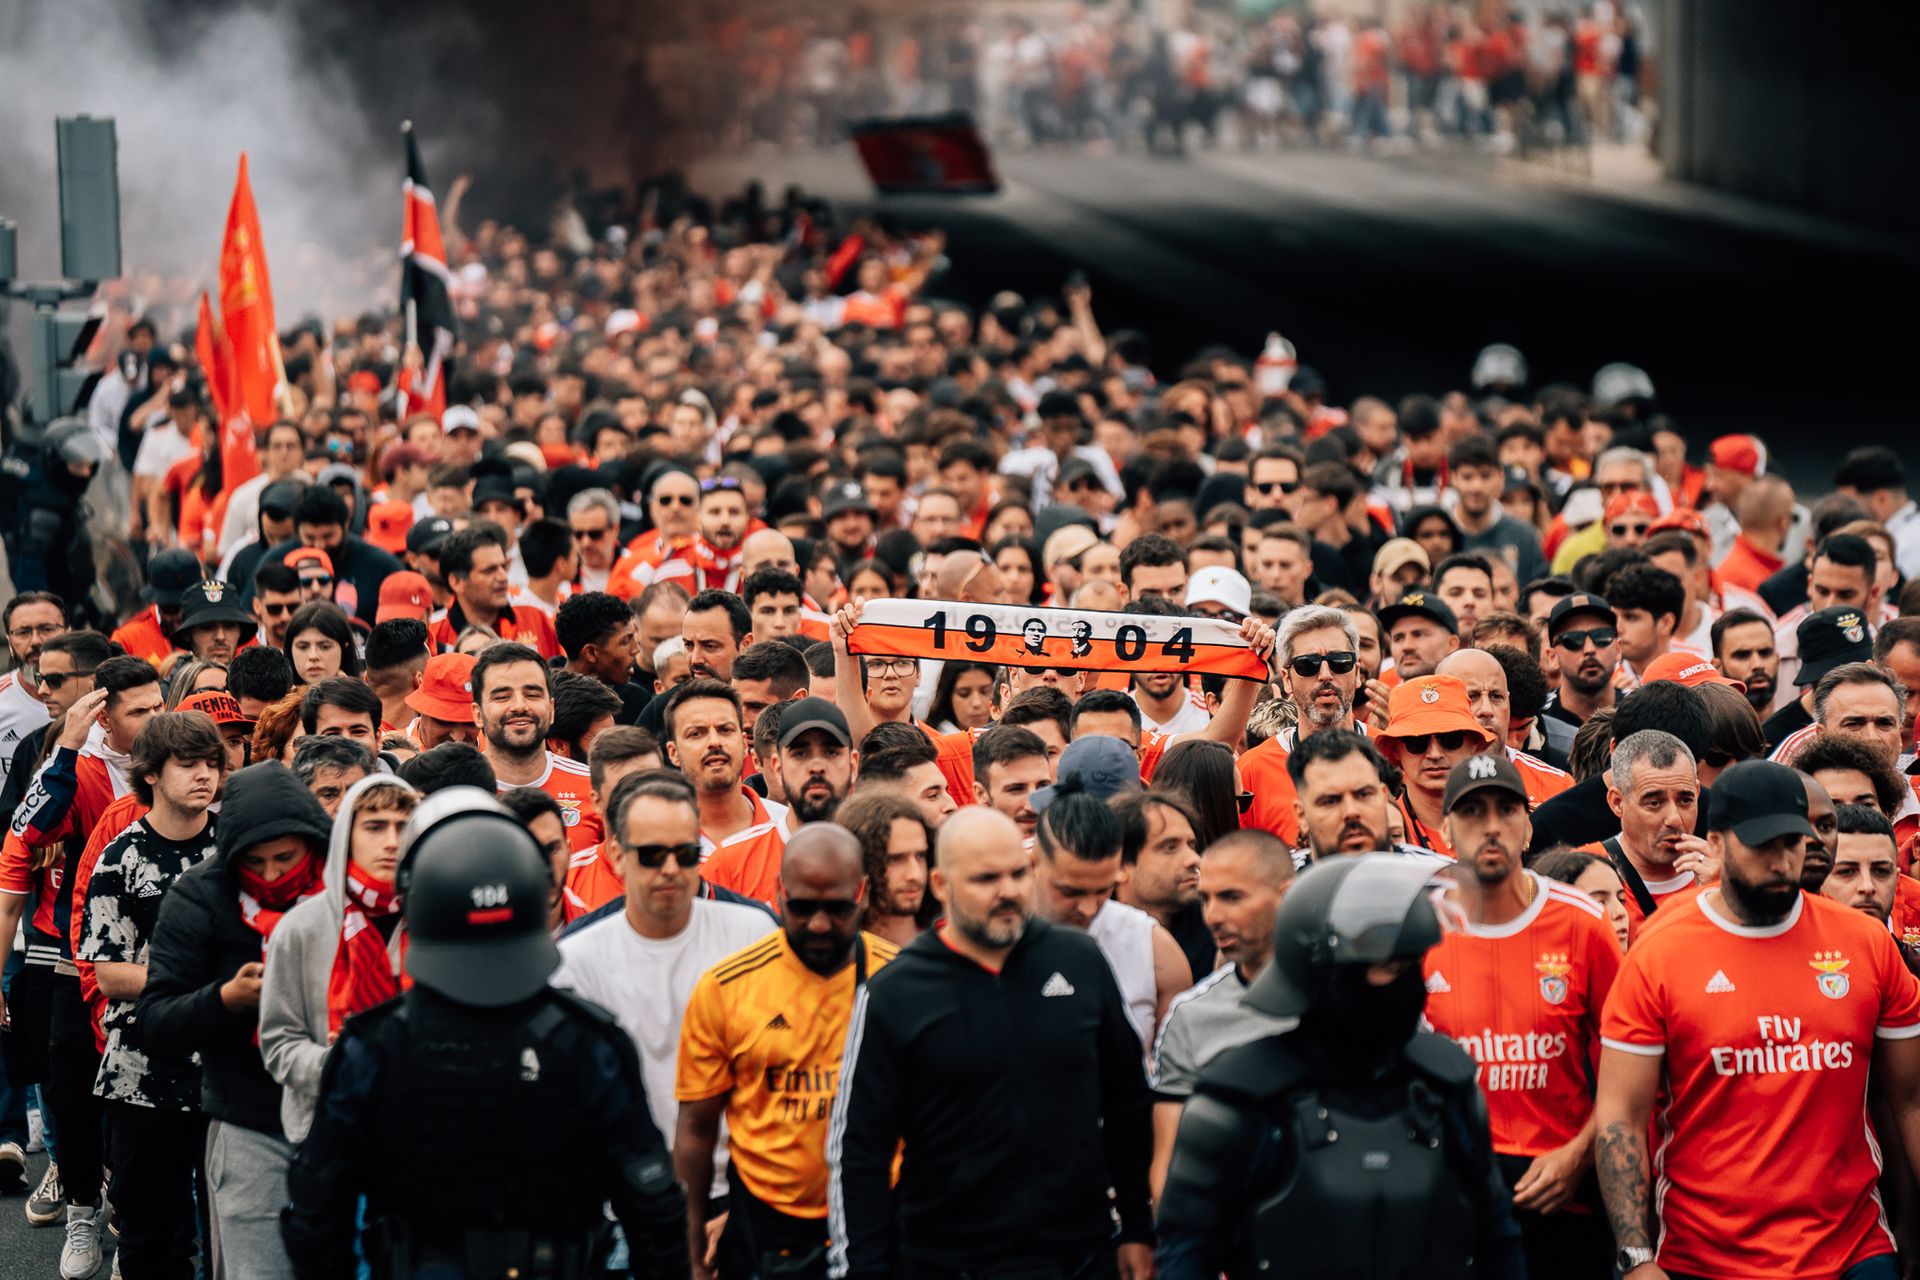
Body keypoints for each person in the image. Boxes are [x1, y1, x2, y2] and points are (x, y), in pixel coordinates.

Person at [280, 787, 690, 1279]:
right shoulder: (588, 1042)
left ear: (417, 902)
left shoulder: (374, 1047)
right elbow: (655, 1213)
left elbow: (316, 1214)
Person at [1595, 761, 1920, 1280]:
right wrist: (1635, 1258)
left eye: (1792, 842)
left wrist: (1913, 1227)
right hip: (1708, 1257)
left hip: (1852, 1251)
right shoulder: (1660, 951)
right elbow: (1620, 1117)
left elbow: (1910, 1099)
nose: (1782, 861)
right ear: (1717, 844)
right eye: (1762, 845)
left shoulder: (1864, 944)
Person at [1154, 854, 1524, 1280]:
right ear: (1325, 975)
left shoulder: (1443, 1086)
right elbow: (1185, 1252)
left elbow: (1497, 1236)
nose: (1407, 987)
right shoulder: (1239, 1099)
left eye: (1411, 968)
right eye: (1386, 969)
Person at [828, 807, 1155, 1280]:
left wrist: (1138, 1229)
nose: (1008, 891)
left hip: (1080, 1256)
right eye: (985, 879)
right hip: (949, 1263)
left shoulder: (1079, 960)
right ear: (941, 886)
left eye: (1018, 874)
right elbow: (858, 1151)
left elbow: (1128, 1102)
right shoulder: (894, 993)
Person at [1420, 753, 1621, 1280]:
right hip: (1456, 1197)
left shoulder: (1583, 924)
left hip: (1563, 1194)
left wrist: (1576, 1158)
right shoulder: (1420, 929)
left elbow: (1627, 1076)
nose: (1491, 827)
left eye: (1506, 809)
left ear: (1528, 824)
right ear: (1444, 830)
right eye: (1472, 812)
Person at [676, 826, 900, 1280]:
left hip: (883, 1214)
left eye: (836, 907)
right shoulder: (728, 987)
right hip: (768, 1225)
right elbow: (696, 1129)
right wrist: (691, 1243)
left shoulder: (900, 982)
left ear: (862, 894)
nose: (819, 924)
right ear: (778, 893)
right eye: (801, 907)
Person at [139, 762, 334, 1279]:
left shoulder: (351, 886)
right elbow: (154, 1021)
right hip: (249, 1120)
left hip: (346, 1113)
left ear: (314, 845)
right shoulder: (198, 895)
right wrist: (225, 998)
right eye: (256, 863)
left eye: (285, 859)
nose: (272, 876)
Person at [553, 770, 776, 1201]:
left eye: (686, 853)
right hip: (625, 1204)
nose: (671, 869)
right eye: (653, 854)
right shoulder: (576, 959)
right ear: (617, 855)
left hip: (744, 1194)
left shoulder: (755, 933)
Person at [77, 711, 227, 1280]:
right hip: (143, 1073)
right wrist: (208, 976)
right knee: (149, 1236)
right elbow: (111, 975)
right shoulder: (120, 857)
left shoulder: (234, 851)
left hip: (224, 1065)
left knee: (226, 1233)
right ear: (153, 774)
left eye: (212, 764)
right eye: (187, 765)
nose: (204, 776)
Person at [259, 774, 421, 1146]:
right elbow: (279, 1041)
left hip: (419, 1130)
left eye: (403, 826)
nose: (392, 842)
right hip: (327, 1128)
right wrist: (337, 1065)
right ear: (347, 833)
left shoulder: (436, 920)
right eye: (375, 827)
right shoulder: (301, 928)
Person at [1148, 830, 1295, 1197]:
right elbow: (1169, 1168)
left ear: (1286, 896)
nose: (1213, 916)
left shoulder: (1352, 998)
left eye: (1231, 897)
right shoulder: (1191, 1017)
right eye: (1205, 899)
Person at [1030, 776, 1192, 1051]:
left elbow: (1173, 1072)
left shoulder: (1155, 948)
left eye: (1103, 890)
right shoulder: (993, 940)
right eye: (1071, 892)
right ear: (1033, 864)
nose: (1089, 908)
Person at [473, 642, 602, 852]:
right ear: (477, 714)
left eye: (532, 694)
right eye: (502, 697)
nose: (519, 706)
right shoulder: (458, 792)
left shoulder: (593, 786)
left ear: (551, 709)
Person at [1371, 674, 1498, 859]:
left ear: (1473, 744)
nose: (1434, 754)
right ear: (1395, 750)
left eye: (1450, 739)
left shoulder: (1502, 823)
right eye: (1416, 742)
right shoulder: (1380, 830)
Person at [424, 522, 563, 659]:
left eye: (503, 566)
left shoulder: (535, 617)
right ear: (456, 581)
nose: (503, 577)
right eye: (489, 571)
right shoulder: (433, 634)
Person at [835, 791, 939, 947]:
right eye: (895, 860)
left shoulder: (949, 950)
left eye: (920, 856)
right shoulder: (835, 956)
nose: (915, 874)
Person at [403, 651, 480, 749]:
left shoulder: (498, 752)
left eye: (470, 723)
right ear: (422, 710)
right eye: (445, 721)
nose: (458, 738)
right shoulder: (395, 756)